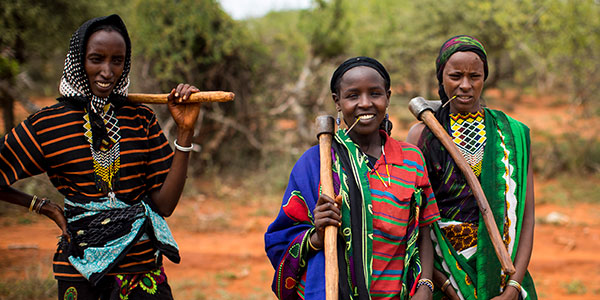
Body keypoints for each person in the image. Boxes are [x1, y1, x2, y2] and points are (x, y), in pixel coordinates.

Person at [0, 14, 201, 299]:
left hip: (143, 273)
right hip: (81, 274)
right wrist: (42, 206)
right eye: (96, 59)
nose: (107, 71)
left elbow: (164, 205)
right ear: (79, 61)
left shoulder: (140, 118)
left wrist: (185, 132)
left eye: (117, 61)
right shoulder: (47, 125)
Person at [265, 56, 441, 300]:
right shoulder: (316, 163)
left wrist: (425, 286)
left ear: (388, 97)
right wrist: (316, 236)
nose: (365, 103)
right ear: (337, 101)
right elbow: (279, 241)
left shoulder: (411, 159)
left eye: (375, 93)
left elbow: (424, 232)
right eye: (353, 95)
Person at [406, 35, 537, 300]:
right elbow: (415, 222)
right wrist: (445, 287)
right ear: (441, 78)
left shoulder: (514, 134)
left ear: (484, 78)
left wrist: (513, 287)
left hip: (503, 274)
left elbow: (527, 218)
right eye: (455, 76)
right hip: (444, 271)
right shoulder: (421, 135)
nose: (465, 85)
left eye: (474, 76)